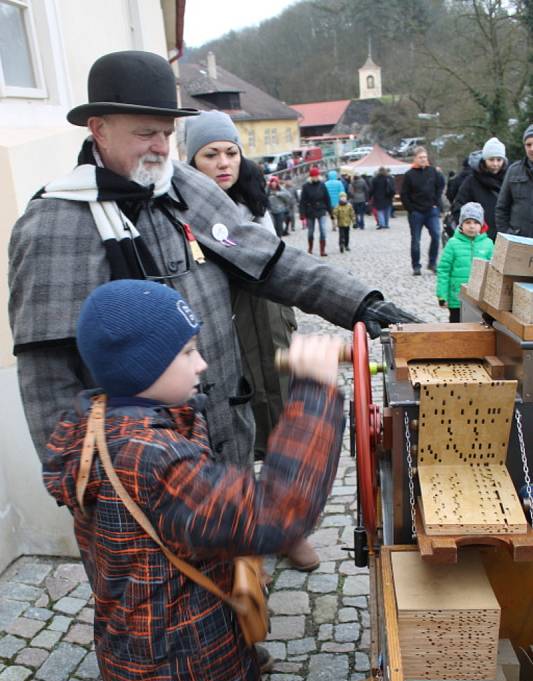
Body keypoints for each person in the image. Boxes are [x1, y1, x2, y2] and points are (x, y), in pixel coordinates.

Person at [9, 49, 415, 475]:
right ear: (99, 130)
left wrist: (361, 304)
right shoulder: (52, 224)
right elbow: (47, 375)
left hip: (226, 442)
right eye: (146, 133)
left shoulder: (186, 188)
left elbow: (270, 261)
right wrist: (78, 478)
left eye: (167, 133)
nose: (160, 148)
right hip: (135, 470)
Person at [43, 278, 345, 681]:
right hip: (181, 674)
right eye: (187, 352)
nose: (203, 363)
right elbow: (278, 512)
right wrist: (315, 390)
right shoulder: (153, 458)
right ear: (143, 370)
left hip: (149, 656)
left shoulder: (101, 423)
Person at [184, 110, 317, 571]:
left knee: (280, 415)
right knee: (231, 425)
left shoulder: (255, 200)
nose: (223, 163)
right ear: (191, 160)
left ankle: (286, 526)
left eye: (230, 152)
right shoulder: (179, 207)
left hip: (270, 316)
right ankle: (241, 540)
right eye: (210, 154)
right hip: (220, 321)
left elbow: (280, 262)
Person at [436, 202, 494, 323]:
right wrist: (442, 295)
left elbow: (494, 271)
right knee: (457, 329)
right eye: (468, 222)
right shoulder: (452, 243)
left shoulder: (488, 244)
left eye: (476, 222)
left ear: (482, 224)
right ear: (461, 224)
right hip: (457, 298)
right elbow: (443, 270)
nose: (472, 226)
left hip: (479, 299)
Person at [400, 147, 445, 275]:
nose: (423, 160)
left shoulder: (433, 171)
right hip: (416, 212)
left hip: (431, 210)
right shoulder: (409, 175)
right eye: (420, 157)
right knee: (416, 240)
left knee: (436, 235)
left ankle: (432, 262)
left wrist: (436, 202)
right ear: (415, 158)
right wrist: (411, 208)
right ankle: (416, 266)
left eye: (425, 157)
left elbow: (440, 185)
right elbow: (404, 194)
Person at [452, 137, 507, 241]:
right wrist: (469, 229)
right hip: (479, 239)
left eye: (499, 160)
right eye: (491, 159)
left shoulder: (510, 179)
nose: (495, 164)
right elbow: (458, 208)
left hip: (504, 237)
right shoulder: (471, 182)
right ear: (484, 159)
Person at [495, 123, 533, 238]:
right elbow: (502, 207)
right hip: (518, 239)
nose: (532, 148)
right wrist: (507, 234)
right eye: (528, 144)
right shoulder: (513, 171)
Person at [299, 166, 332, 256]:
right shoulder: (306, 186)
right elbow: (302, 201)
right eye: (314, 176)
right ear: (311, 177)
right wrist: (302, 213)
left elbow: (327, 198)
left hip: (321, 210)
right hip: (310, 211)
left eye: (316, 176)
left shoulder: (322, 185)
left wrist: (331, 212)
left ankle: (322, 250)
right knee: (311, 231)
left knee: (323, 229)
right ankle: (310, 248)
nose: (315, 178)